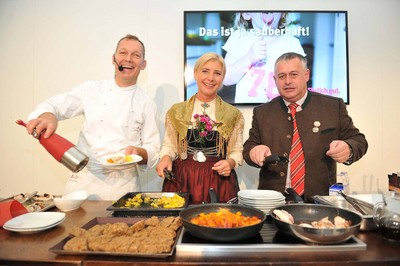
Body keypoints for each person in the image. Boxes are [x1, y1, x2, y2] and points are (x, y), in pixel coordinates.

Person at [26, 34, 160, 200]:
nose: (128, 59)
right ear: (114, 59)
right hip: (83, 181)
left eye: (136, 55)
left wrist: (140, 152)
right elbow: (55, 106)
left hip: (123, 185)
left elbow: (154, 148)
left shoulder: (146, 103)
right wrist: (48, 116)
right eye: (123, 53)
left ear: (143, 64)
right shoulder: (91, 90)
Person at [243, 52, 368, 203]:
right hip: (272, 202)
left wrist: (349, 148)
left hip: (320, 202)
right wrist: (253, 152)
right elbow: (249, 147)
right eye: (282, 76)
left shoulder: (332, 107)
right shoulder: (262, 112)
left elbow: (359, 141)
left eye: (293, 74)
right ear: (275, 80)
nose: (287, 81)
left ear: (306, 75)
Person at [156, 52, 244, 204]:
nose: (210, 78)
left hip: (218, 180)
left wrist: (230, 163)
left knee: (217, 224)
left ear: (223, 78)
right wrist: (165, 158)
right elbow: (170, 146)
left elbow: (236, 151)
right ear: (195, 73)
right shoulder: (176, 111)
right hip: (183, 179)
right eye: (205, 71)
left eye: (217, 73)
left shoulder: (233, 114)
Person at [220, 12, 306, 104]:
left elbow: (301, 80)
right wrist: (249, 58)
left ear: (282, 14)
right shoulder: (239, 38)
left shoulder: (292, 43)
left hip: (282, 110)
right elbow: (225, 78)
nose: (268, 10)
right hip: (247, 110)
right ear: (246, 14)